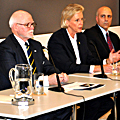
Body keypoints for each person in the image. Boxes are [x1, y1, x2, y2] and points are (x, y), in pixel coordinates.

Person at [0, 10, 72, 120]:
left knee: (65, 108)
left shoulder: (36, 45)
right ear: (15, 27)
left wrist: (59, 75)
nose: (32, 28)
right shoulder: (6, 48)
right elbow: (18, 80)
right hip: (16, 98)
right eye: (27, 25)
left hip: (38, 95)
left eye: (32, 24)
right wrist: (47, 80)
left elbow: (47, 67)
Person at [48, 3, 114, 120]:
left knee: (106, 102)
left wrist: (106, 62)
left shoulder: (81, 37)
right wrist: (96, 68)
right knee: (94, 103)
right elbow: (68, 67)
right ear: (67, 22)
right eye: (77, 20)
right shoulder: (57, 39)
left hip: (83, 79)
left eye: (82, 19)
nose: (81, 23)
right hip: (66, 82)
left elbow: (89, 59)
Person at [84, 6, 120, 120]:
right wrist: (107, 61)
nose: (106, 19)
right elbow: (91, 59)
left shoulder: (114, 37)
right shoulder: (90, 34)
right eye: (103, 16)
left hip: (115, 76)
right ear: (96, 18)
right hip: (99, 77)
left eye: (109, 16)